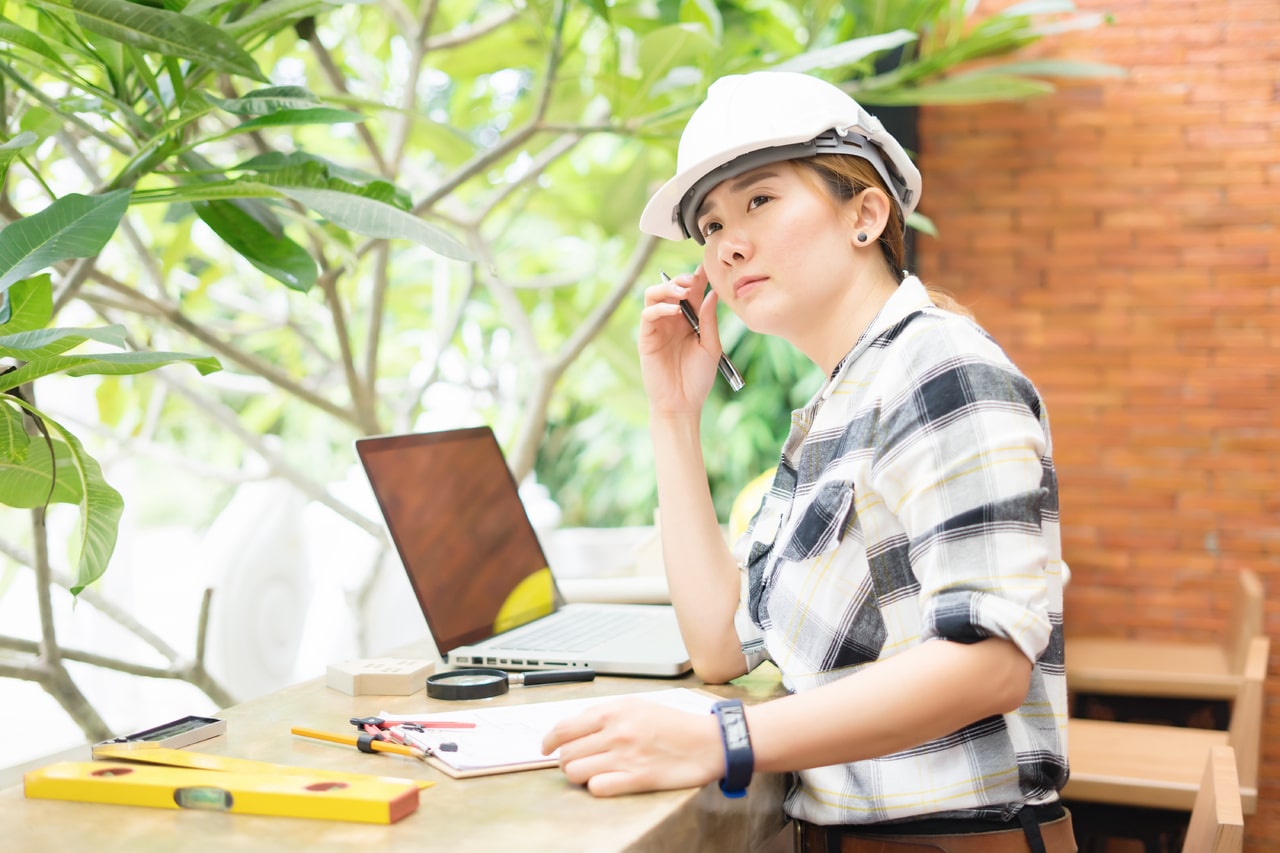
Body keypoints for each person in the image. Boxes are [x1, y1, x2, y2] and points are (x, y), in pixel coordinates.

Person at [542, 71, 1071, 852]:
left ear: (865, 213)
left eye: (759, 200)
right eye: (710, 225)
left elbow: (986, 664)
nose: (728, 242)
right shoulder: (836, 407)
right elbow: (719, 646)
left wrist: (722, 739)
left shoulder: (940, 369)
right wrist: (673, 415)